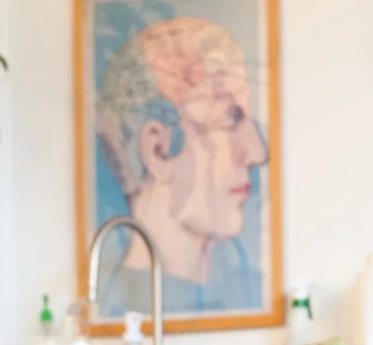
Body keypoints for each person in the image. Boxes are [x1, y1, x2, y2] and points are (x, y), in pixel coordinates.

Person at [93, 16, 270, 315]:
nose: (256, 152)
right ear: (158, 150)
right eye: (231, 117)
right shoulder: (124, 308)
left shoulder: (234, 281)